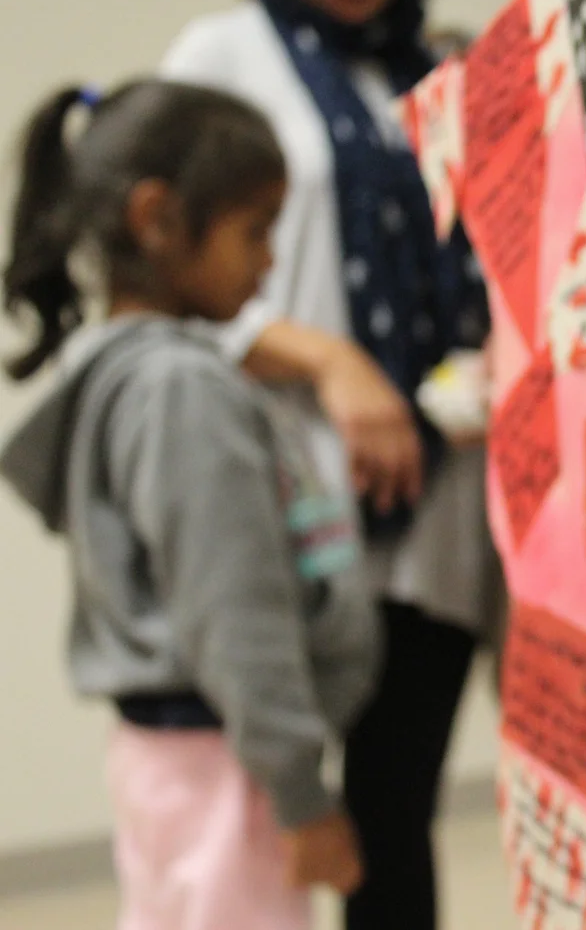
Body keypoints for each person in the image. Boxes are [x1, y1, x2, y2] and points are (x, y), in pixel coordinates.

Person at [159, 0, 498, 929]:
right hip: (295, 498)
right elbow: (167, 281)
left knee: (395, 822)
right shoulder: (219, 59)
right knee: (257, 832)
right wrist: (331, 361)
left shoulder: (444, 68)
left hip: (440, 501)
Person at [0, 79, 379, 930]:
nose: (270, 263)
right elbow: (233, 611)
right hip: (227, 768)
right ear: (157, 219)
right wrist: (300, 794)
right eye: (256, 231)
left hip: (176, 761)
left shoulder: (125, 373)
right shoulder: (181, 390)